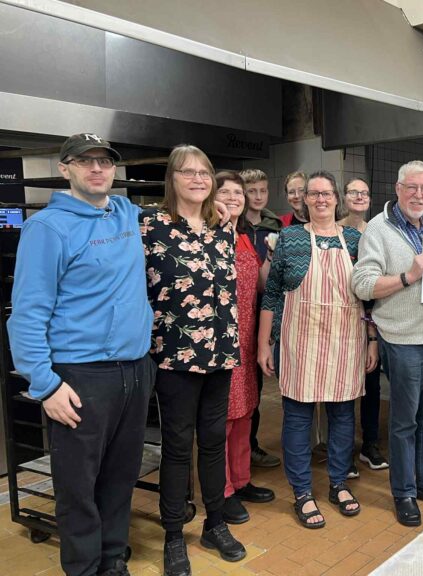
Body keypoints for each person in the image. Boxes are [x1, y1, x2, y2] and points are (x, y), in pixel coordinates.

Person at [8, 133, 154, 576]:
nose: (97, 169)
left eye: (105, 162)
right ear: (65, 168)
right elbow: (26, 314)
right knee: (78, 486)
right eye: (84, 161)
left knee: (119, 477)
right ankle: (85, 567)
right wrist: (45, 384)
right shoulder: (47, 228)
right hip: (81, 376)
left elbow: (176, 212)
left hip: (134, 370)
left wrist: (219, 206)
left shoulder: (125, 213)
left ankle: (112, 559)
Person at [142, 145, 245, 575]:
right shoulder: (150, 224)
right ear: (173, 178)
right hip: (175, 358)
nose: (199, 179)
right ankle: (172, 535)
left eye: (205, 172)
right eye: (189, 172)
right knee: (178, 447)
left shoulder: (223, 229)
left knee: (213, 441)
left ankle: (215, 523)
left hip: (221, 354)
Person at [258, 170, 377, 529]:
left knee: (343, 417)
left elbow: (368, 296)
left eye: (327, 194)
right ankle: (302, 492)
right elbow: (273, 295)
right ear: (305, 200)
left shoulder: (356, 240)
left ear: (336, 198)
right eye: (314, 194)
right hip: (300, 343)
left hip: (346, 341)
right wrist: (265, 342)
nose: (321, 199)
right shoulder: (289, 239)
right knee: (298, 417)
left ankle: (338, 483)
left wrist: (372, 340)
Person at [352, 160, 423, 528]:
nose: (419, 195)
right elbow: (363, 284)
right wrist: (408, 275)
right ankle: (404, 492)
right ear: (398, 189)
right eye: (412, 187)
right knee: (404, 422)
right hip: (403, 339)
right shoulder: (378, 230)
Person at [214, 172, 275, 525]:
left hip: (248, 337)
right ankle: (220, 491)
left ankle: (241, 479)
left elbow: (260, 285)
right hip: (220, 341)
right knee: (222, 417)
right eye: (227, 192)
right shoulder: (208, 235)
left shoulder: (243, 239)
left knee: (245, 412)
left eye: (239, 192)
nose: (236, 197)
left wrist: (269, 257)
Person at [338, 177, 389, 473]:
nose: (359, 196)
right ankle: (343, 450)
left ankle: (370, 444)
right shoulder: (334, 231)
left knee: (371, 383)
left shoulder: (377, 232)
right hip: (341, 317)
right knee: (343, 387)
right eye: (353, 192)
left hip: (371, 318)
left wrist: (372, 332)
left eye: (365, 193)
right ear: (343, 197)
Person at [239, 168, 282, 469]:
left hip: (263, 312)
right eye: (251, 191)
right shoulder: (232, 223)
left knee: (255, 383)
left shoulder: (274, 226)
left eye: (262, 191)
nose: (257, 196)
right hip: (236, 314)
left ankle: (250, 445)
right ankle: (234, 449)